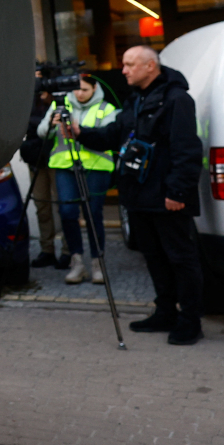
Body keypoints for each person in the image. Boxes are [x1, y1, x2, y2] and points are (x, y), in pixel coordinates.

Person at [73, 45, 204, 345]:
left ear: (150, 66)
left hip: (166, 197)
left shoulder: (177, 99)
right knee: (154, 258)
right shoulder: (135, 101)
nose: (124, 70)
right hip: (138, 196)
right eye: (124, 64)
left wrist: (178, 191)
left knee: (181, 259)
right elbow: (112, 136)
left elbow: (187, 149)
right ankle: (165, 312)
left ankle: (190, 320)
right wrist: (80, 133)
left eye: (130, 64)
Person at [37, 75, 116, 285]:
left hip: (96, 168)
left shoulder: (106, 109)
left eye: (85, 90)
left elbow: (109, 135)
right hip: (65, 167)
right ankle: (77, 262)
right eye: (77, 89)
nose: (80, 93)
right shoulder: (59, 105)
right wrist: (52, 125)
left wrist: (81, 131)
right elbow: (42, 132)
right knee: (67, 212)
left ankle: (97, 263)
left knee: (93, 214)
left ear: (95, 89)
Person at [20, 81, 66, 270]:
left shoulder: (58, 98)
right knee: (42, 205)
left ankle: (68, 251)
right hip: (35, 157)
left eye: (40, 75)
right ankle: (47, 250)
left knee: (63, 205)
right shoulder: (26, 97)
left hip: (58, 156)